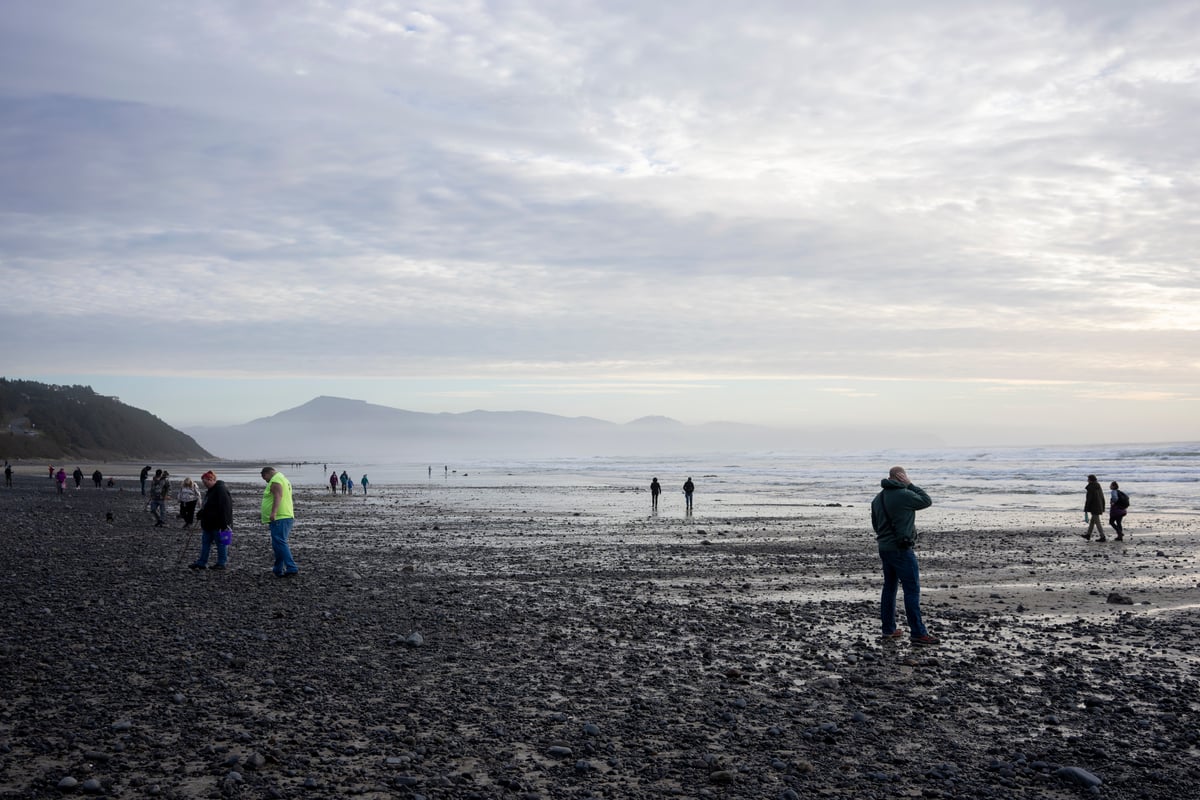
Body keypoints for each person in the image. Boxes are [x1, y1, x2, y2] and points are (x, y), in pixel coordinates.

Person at [871, 466, 938, 646]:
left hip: (884, 548)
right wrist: (910, 484)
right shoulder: (905, 494)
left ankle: (888, 630)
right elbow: (926, 500)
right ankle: (917, 632)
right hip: (901, 549)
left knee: (889, 588)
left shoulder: (877, 499)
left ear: (889, 478)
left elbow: (876, 525)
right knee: (911, 590)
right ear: (901, 477)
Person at [261, 467, 298, 577]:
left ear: (267, 473)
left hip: (280, 517)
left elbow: (278, 496)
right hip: (285, 515)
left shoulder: (276, 480)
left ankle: (291, 567)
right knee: (277, 543)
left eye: (264, 478)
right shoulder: (284, 479)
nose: (265, 481)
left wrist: (274, 512)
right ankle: (278, 568)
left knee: (280, 542)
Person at [192, 470, 232, 570]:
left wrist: (225, 524)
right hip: (208, 523)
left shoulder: (220, 489)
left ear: (211, 479)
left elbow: (225, 508)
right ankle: (202, 562)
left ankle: (221, 563)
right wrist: (201, 512)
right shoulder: (211, 490)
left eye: (205, 482)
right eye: (203, 482)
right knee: (205, 543)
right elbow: (208, 506)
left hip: (218, 524)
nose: (204, 484)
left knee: (221, 544)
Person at [1083, 474, 1106, 541]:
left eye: (1088, 479)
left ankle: (1102, 536)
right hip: (1099, 506)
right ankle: (1088, 535)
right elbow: (1102, 497)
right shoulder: (1098, 486)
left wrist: (1086, 508)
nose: (1087, 480)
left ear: (1090, 480)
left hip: (1094, 507)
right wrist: (1103, 506)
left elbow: (1089, 499)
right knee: (1092, 522)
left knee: (1097, 522)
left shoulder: (1091, 487)